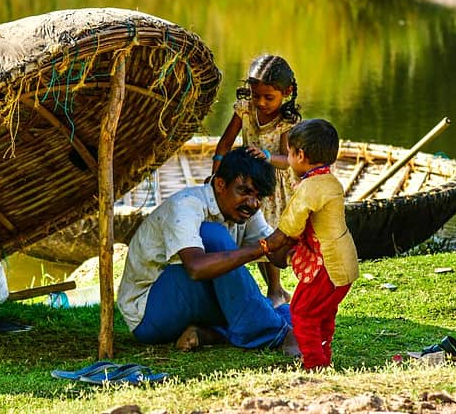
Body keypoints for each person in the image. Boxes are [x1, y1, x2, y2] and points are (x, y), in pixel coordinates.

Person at [117, 147, 300, 355]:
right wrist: (263, 246)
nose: (252, 203)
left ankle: (210, 335)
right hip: (149, 313)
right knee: (213, 235)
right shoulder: (187, 205)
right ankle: (276, 333)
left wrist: (291, 234)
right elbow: (195, 268)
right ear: (220, 184)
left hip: (189, 301)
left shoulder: (244, 210)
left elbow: (276, 256)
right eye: (244, 192)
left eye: (259, 197)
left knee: (292, 314)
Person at [257, 119, 359, 370]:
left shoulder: (311, 187)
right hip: (344, 260)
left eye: (289, 154)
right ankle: (323, 358)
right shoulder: (329, 181)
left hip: (327, 265)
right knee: (323, 313)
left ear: (300, 155)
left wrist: (266, 246)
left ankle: (314, 364)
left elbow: (290, 225)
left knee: (302, 311)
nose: (288, 159)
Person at [210, 54, 301, 308]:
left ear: (287, 92)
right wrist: (217, 171)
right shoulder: (245, 110)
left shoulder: (287, 121)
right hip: (246, 185)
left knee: (268, 236)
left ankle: (275, 290)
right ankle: (277, 290)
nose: (260, 102)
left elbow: (290, 160)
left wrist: (268, 156)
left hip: (271, 189)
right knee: (255, 237)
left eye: (268, 97)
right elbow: (225, 144)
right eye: (255, 95)